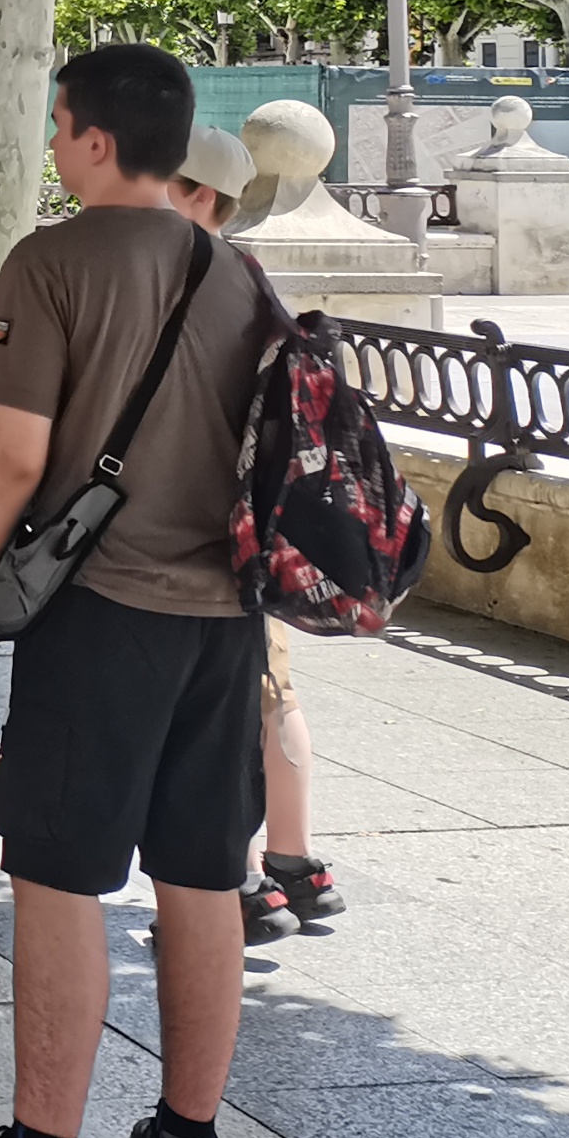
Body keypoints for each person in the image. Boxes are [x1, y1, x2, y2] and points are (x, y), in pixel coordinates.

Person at [0, 45, 271, 1138]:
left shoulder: (53, 258)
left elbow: (17, 458)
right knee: (203, 872)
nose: (55, 142)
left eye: (61, 124)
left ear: (97, 141)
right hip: (228, 620)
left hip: (104, 610)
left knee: (59, 872)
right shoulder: (236, 270)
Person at [166, 130, 347, 947]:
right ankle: (296, 864)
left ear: (201, 196)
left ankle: (240, 878)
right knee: (275, 692)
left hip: (201, 529)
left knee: (220, 709)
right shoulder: (254, 282)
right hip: (261, 525)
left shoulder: (187, 280)